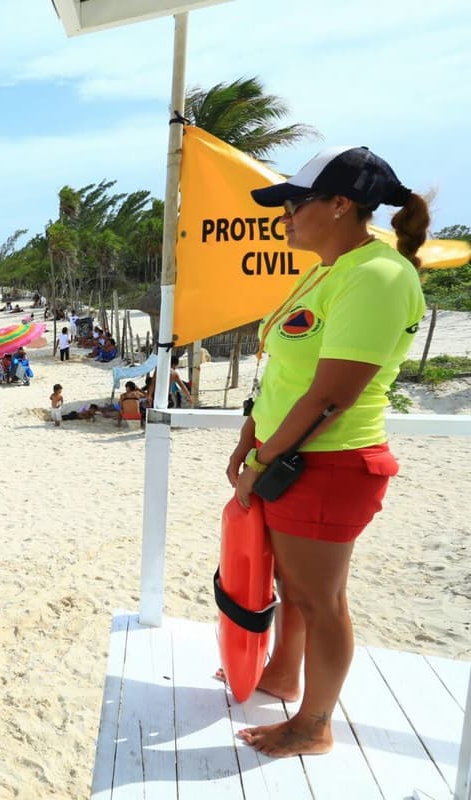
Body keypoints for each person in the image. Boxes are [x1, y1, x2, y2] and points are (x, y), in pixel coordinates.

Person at [227, 146, 428, 758]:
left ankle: (314, 725)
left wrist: (262, 464)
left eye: (294, 204)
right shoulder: (329, 267)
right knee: (293, 586)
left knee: (321, 601)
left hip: (328, 462)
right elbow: (288, 374)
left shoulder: (378, 275)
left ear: (341, 205)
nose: (283, 217)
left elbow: (330, 396)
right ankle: (285, 675)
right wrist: (248, 438)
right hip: (290, 454)